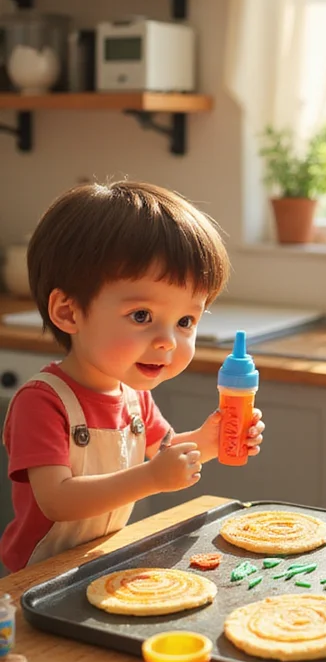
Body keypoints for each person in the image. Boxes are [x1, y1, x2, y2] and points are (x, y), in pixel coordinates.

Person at [0, 180, 265, 573]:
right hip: (35, 576)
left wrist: (213, 438)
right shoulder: (42, 402)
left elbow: (170, 453)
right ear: (69, 313)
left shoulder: (133, 397)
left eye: (185, 320)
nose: (167, 341)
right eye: (142, 316)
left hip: (97, 559)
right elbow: (56, 500)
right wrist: (153, 478)